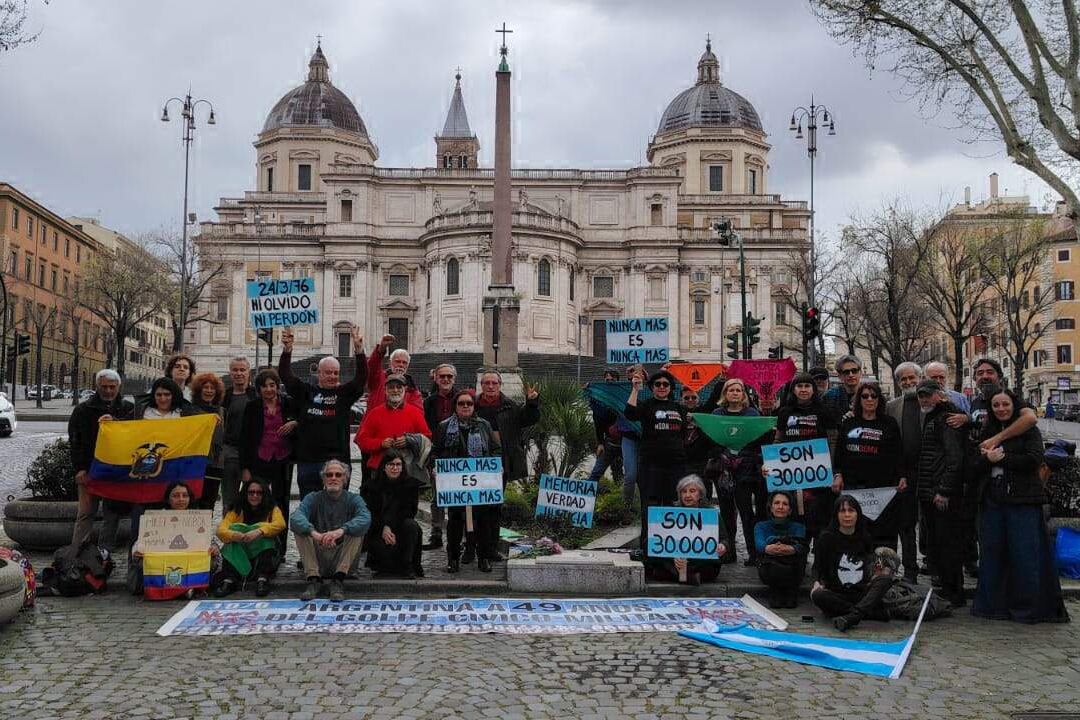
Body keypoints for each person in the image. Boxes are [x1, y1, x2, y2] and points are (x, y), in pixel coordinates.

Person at [972, 388, 1069, 623]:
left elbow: (1035, 459)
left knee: (1025, 555)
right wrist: (986, 459)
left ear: (1014, 406)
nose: (1001, 409)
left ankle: (1027, 607)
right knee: (993, 553)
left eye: (1005, 404)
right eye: (996, 405)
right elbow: (974, 465)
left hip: (1022, 500)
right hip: (993, 498)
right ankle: (993, 605)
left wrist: (1003, 458)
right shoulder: (988, 430)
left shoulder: (1030, 431)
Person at [278, 324, 367, 499]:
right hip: (309, 462)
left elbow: (360, 380)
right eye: (328, 373)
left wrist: (359, 351)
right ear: (319, 373)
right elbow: (286, 375)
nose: (333, 376)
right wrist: (287, 350)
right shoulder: (306, 393)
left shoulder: (343, 395)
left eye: (336, 373)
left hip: (337, 463)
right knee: (309, 508)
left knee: (337, 508)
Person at [475, 371, 540, 565]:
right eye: (487, 383)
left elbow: (528, 419)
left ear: (500, 385)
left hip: (500, 464)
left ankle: (492, 548)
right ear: (481, 385)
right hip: (476, 464)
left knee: (494, 508)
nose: (490, 386)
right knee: (475, 509)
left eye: (494, 383)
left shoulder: (509, 405)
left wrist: (532, 403)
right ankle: (473, 547)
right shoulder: (472, 405)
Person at [833, 380, 906, 549]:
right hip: (854, 485)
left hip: (882, 487)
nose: (869, 399)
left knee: (884, 531)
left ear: (879, 399)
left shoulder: (889, 423)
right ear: (859, 400)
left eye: (874, 396)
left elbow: (898, 453)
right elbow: (839, 453)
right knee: (855, 527)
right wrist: (838, 474)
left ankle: (883, 568)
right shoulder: (849, 423)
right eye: (865, 396)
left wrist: (902, 475)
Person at [435, 389, 502, 573]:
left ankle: (484, 558)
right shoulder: (444, 426)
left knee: (483, 522)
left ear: (474, 406)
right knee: (455, 522)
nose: (465, 406)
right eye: (461, 403)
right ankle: (453, 558)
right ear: (455, 406)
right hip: (454, 484)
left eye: (469, 403)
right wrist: (435, 467)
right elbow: (437, 451)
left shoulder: (484, 425)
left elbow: (496, 449)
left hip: (480, 483)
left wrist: (497, 466)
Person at [625, 369, 688, 560]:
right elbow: (630, 413)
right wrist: (635, 389)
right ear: (652, 387)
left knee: (672, 505)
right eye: (657, 384)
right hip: (650, 464)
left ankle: (670, 548)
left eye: (665, 384)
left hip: (675, 465)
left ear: (671, 388)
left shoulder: (680, 408)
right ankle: (647, 548)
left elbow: (684, 433)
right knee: (649, 507)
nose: (661, 387)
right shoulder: (646, 405)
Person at [915, 380, 966, 607]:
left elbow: (954, 458)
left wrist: (944, 490)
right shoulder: (934, 416)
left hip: (941, 493)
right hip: (931, 491)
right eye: (921, 396)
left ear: (940, 395)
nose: (924, 399)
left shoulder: (947, 419)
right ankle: (946, 589)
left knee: (948, 545)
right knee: (938, 543)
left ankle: (953, 592)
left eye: (928, 395)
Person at [70, 369, 135, 548]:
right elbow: (75, 441)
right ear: (97, 386)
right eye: (104, 387)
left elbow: (134, 436)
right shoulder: (83, 410)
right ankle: (77, 556)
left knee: (112, 515)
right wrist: (79, 469)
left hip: (116, 472)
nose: (108, 391)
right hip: (89, 470)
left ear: (118, 386)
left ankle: (103, 556)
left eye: (112, 387)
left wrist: (116, 422)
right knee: (85, 514)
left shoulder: (129, 409)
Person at [290, 460, 371, 602]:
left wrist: (340, 531)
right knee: (300, 529)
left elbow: (365, 518)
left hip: (343, 557)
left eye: (338, 475)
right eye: (329, 474)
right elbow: (296, 517)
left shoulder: (354, 499)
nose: (333, 478)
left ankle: (338, 580)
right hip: (319, 555)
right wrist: (316, 534)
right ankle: (314, 579)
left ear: (345, 479)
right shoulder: (313, 498)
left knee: (357, 530)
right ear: (323, 478)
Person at [810, 494, 895, 631]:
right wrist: (816, 582)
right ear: (836, 515)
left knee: (885, 579)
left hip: (860, 593)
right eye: (843, 511)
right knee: (818, 595)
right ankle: (867, 613)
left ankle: (852, 616)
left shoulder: (865, 537)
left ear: (857, 514)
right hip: (837, 593)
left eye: (851, 511)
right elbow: (817, 567)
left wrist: (877, 572)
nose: (847, 515)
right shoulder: (826, 538)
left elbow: (869, 565)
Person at [240, 369, 299, 559]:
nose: (268, 389)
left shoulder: (288, 403)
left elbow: (304, 419)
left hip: (283, 459)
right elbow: (246, 439)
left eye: (272, 385)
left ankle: (280, 548)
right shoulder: (252, 407)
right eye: (264, 386)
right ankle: (257, 544)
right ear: (258, 388)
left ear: (277, 386)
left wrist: (294, 423)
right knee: (257, 500)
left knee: (282, 503)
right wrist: (245, 468)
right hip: (260, 459)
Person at [773, 372, 835, 542]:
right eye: (799, 386)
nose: (803, 390)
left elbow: (832, 441)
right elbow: (779, 439)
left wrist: (833, 467)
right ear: (793, 390)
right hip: (792, 474)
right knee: (796, 516)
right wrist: (771, 465)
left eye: (807, 386)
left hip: (818, 474)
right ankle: (799, 554)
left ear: (813, 390)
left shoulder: (823, 412)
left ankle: (818, 560)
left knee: (818, 515)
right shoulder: (785, 412)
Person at [128, 481, 219, 596]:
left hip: (189, 563)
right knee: (142, 562)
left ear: (190, 498)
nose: (181, 499)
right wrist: (137, 551)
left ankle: (189, 587)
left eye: (184, 496)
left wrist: (214, 549)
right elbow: (139, 542)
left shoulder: (198, 518)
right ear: (168, 499)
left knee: (212, 560)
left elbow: (211, 542)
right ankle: (177, 589)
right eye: (176, 496)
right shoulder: (155, 518)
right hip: (162, 564)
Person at [712, 378, 767, 566]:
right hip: (724, 470)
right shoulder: (717, 414)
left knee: (746, 513)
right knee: (727, 512)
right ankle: (729, 551)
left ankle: (753, 553)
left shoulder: (752, 413)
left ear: (743, 394)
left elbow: (759, 439)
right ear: (725, 393)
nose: (735, 393)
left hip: (747, 469)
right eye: (731, 390)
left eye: (738, 390)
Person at [647, 475, 727, 585]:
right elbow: (657, 541)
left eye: (692, 491)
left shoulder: (711, 514)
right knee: (655, 559)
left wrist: (723, 546)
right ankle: (688, 577)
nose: (687, 495)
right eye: (684, 492)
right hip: (675, 561)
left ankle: (679, 576)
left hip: (699, 563)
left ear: (700, 494)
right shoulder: (670, 513)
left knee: (711, 566)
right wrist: (673, 557)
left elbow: (724, 539)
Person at [213, 478, 285, 597]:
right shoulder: (236, 509)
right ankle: (230, 579)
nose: (255, 496)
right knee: (232, 536)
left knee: (266, 534)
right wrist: (235, 535)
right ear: (245, 493)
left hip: (263, 553)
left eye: (259, 493)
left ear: (264, 494)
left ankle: (263, 578)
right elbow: (221, 530)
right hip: (242, 550)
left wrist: (259, 531)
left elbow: (280, 524)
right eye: (251, 492)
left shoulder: (272, 508)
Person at [885, 362, 923, 582]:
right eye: (903, 379)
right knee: (905, 525)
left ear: (920, 377)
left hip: (928, 471)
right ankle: (910, 570)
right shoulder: (892, 406)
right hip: (903, 474)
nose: (908, 382)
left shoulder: (931, 402)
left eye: (912, 378)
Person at [361, 450, 424, 578]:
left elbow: (409, 511)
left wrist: (389, 526)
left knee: (411, 525)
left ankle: (408, 565)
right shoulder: (371, 487)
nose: (395, 468)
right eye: (391, 464)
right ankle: (381, 565)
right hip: (378, 529)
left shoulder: (410, 485)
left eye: (398, 464)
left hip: (400, 527)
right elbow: (369, 512)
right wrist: (382, 527)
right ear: (384, 467)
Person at [355, 373, 431, 478]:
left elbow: (427, 437)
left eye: (399, 387)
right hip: (380, 471)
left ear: (405, 390)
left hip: (407, 471)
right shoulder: (375, 413)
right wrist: (380, 443)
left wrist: (409, 440)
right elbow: (362, 441)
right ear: (385, 390)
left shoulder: (415, 413)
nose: (395, 390)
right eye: (391, 387)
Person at [422, 362, 459, 550]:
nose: (445, 379)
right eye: (442, 376)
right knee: (437, 495)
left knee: (456, 496)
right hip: (437, 454)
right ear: (435, 378)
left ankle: (455, 533)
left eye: (449, 377)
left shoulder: (462, 398)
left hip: (457, 456)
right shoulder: (428, 402)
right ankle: (436, 532)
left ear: (454, 379)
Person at [755, 491, 808, 608]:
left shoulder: (799, 527)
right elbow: (760, 545)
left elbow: (801, 546)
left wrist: (789, 548)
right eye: (777, 503)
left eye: (785, 504)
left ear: (790, 510)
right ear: (771, 507)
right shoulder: (760, 526)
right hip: (770, 569)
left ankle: (791, 591)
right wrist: (773, 545)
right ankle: (775, 591)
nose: (780, 507)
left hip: (793, 569)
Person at [220, 356, 257, 509]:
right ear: (230, 373)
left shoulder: (257, 395)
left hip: (253, 454)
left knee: (254, 498)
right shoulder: (223, 397)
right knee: (229, 500)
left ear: (249, 372)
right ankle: (229, 530)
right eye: (235, 370)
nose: (239, 373)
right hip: (230, 453)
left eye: (242, 370)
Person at [189, 372, 226, 510]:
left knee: (209, 503)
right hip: (195, 461)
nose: (209, 391)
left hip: (215, 464)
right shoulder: (190, 410)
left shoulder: (222, 411)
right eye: (206, 387)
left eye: (212, 388)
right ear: (199, 390)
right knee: (192, 501)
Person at [585, 369, 625, 488]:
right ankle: (585, 499)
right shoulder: (599, 400)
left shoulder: (624, 396)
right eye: (607, 380)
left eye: (612, 380)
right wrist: (600, 443)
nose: (609, 382)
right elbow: (597, 423)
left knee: (621, 474)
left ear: (618, 381)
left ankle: (624, 502)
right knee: (596, 473)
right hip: (609, 443)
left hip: (626, 442)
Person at [366, 334, 424, 411]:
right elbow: (371, 368)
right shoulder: (378, 379)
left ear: (407, 366)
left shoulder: (412, 390)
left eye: (404, 362)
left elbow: (418, 413)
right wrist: (381, 349)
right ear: (390, 363)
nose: (401, 365)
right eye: (397, 361)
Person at [822, 354, 862, 423]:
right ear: (840, 376)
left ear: (860, 373)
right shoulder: (830, 396)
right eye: (846, 372)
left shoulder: (870, 395)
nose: (851, 375)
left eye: (854, 371)